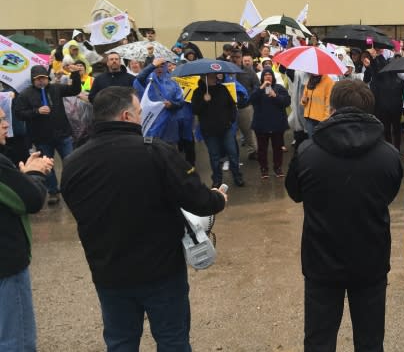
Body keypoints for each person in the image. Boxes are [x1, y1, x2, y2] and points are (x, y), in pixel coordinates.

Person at [60, 86, 227, 352]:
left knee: (120, 342)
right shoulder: (156, 151)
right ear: (126, 116)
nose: (142, 117)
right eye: (139, 112)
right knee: (172, 340)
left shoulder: (73, 163)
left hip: (108, 270)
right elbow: (199, 200)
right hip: (161, 270)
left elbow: (77, 207)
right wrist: (218, 198)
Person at [285, 79, 403, 352]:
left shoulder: (307, 152)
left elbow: (295, 192)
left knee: (319, 339)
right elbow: (389, 192)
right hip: (370, 257)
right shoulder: (389, 155)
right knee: (370, 339)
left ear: (332, 106)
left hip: (321, 258)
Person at [0, 104, 52, 352]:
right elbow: (29, 200)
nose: (6, 124)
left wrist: (21, 176)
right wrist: (34, 175)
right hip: (6, 263)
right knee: (16, 340)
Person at [14, 64, 81, 205]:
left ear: (47, 78)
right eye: (38, 79)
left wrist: (75, 75)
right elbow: (19, 114)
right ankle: (53, 192)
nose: (41, 81)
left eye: (43, 78)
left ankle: (74, 188)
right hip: (42, 138)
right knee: (47, 166)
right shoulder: (25, 94)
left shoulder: (55, 88)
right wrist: (36, 111)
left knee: (70, 163)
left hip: (63, 134)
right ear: (33, 80)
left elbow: (75, 90)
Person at [191, 74, 245, 188]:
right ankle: (217, 179)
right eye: (210, 77)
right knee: (214, 156)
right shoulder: (197, 92)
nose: (214, 78)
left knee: (233, 153)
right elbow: (195, 110)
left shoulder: (222, 89)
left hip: (226, 128)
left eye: (214, 76)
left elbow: (231, 105)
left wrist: (231, 120)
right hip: (209, 131)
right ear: (203, 78)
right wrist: (204, 101)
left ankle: (237, 176)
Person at [134, 58, 185, 145]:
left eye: (162, 66)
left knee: (169, 153)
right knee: (151, 153)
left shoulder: (173, 83)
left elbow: (180, 102)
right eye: (156, 67)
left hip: (169, 125)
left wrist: (171, 105)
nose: (159, 69)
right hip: (151, 123)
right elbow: (139, 78)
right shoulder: (148, 81)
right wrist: (152, 65)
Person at [251, 68, 291, 178]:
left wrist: (276, 96)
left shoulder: (279, 88)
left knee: (277, 148)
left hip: (277, 124)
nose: (268, 76)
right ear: (262, 77)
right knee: (262, 149)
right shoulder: (257, 88)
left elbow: (287, 102)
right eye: (265, 75)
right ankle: (264, 168)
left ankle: (277, 167)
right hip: (261, 125)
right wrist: (262, 88)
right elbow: (252, 99)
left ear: (273, 77)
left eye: (269, 75)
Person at [229, 49, 260, 161]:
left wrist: (249, 97)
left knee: (248, 131)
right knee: (230, 133)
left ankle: (253, 151)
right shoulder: (225, 72)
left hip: (245, 106)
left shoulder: (249, 71)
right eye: (233, 57)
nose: (235, 59)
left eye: (237, 57)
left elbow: (256, 86)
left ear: (241, 58)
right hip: (229, 107)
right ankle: (232, 155)